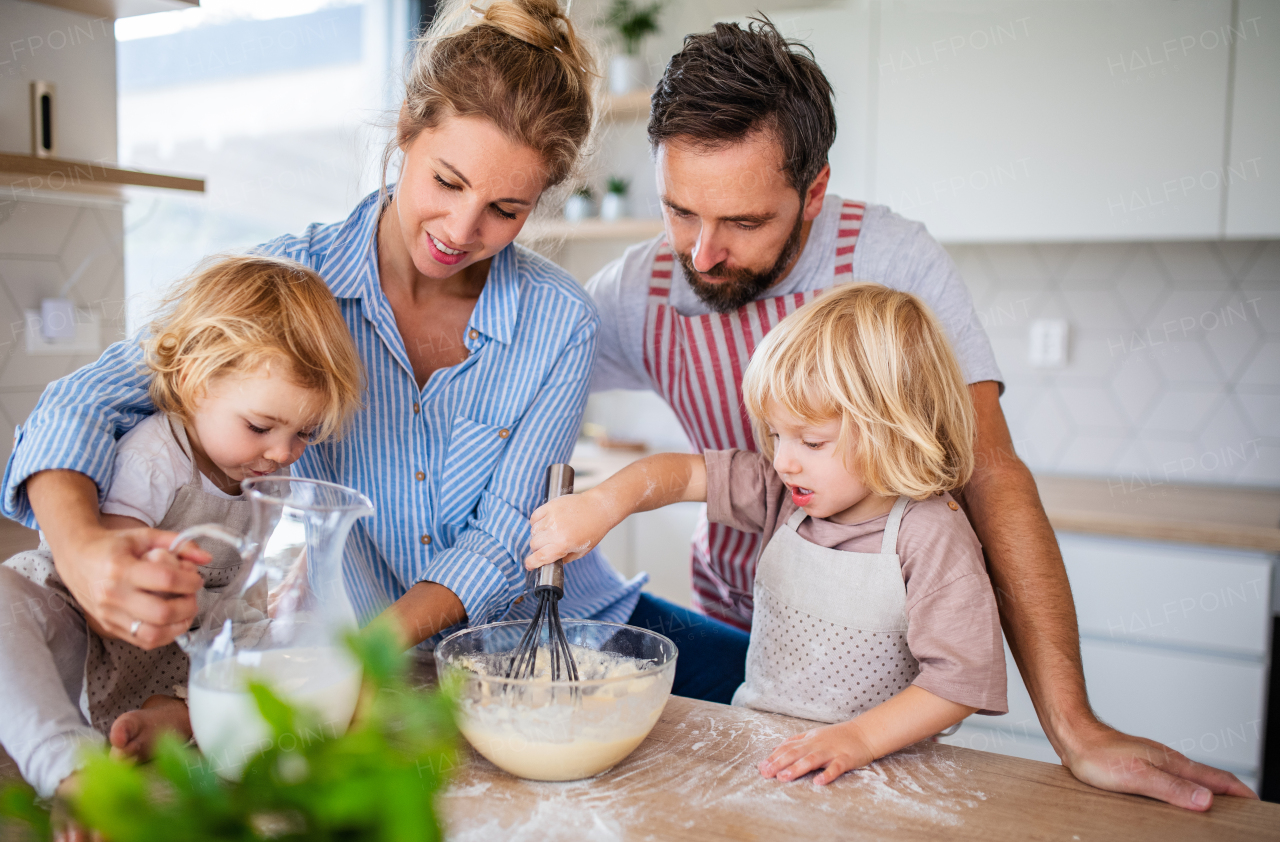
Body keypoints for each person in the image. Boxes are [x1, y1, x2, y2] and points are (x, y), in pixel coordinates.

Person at [585, 17, 1256, 809]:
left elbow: (991, 473)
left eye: (743, 222)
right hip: (747, 628)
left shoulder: (890, 261)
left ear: (813, 193)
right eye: (679, 211)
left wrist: (1073, 725)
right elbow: (528, 378)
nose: (701, 254)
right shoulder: (640, 285)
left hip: (877, 672)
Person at [1, 0, 662, 733]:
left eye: (506, 209)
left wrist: (351, 657)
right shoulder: (289, 285)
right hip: (356, 674)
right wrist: (85, 550)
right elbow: (85, 402)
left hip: (551, 641)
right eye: (447, 181)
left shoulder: (559, 322)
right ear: (409, 126)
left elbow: (507, 536)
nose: (462, 230)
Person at [528, 284, 1007, 785]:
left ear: (896, 427)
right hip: (760, 751)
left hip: (874, 772)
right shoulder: (783, 492)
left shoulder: (930, 535)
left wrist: (857, 740)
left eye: (812, 440)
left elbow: (960, 683)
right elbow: (681, 474)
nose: (783, 460)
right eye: (777, 435)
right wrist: (600, 505)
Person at [0, 254, 364, 799]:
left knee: (288, 650)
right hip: (93, 629)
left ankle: (174, 714)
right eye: (260, 426)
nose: (281, 453)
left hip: (179, 648)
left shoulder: (257, 476)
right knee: (8, 603)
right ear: (196, 384)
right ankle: (65, 763)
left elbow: (245, 588)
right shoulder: (156, 456)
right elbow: (117, 581)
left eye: (305, 434)